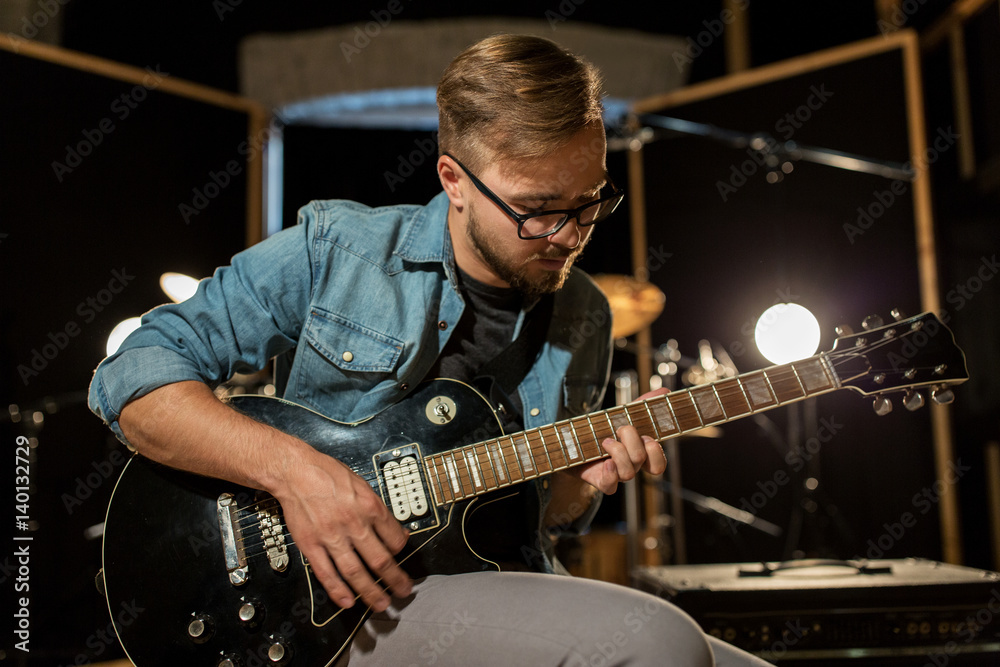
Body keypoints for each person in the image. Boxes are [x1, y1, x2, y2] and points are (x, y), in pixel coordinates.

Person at [89, 33, 773, 666]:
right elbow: (131, 380)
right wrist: (298, 474)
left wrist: (581, 481)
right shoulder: (338, 250)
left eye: (590, 201)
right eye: (538, 209)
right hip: (339, 605)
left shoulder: (586, 313)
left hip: (496, 591)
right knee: (660, 641)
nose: (570, 235)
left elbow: (534, 523)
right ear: (453, 179)